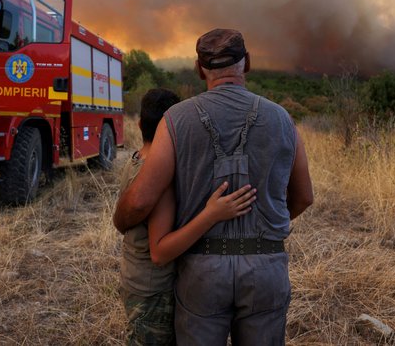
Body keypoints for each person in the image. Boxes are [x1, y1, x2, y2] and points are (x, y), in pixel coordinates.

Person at [114, 29, 314, 345]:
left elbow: (140, 201)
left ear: (199, 68)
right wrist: (262, 224)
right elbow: (304, 197)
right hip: (266, 268)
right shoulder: (283, 119)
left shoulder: (175, 119)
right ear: (246, 63)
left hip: (202, 272)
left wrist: (119, 222)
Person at [117, 88, 256, 345]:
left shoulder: (135, 160)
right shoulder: (158, 178)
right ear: (174, 130)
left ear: (139, 124)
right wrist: (211, 214)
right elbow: (160, 253)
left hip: (136, 279)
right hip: (154, 291)